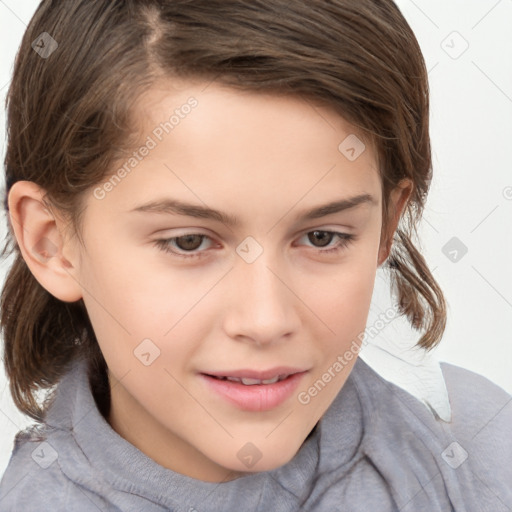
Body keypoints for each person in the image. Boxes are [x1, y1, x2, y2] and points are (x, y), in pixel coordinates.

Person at [0, 1, 510, 510]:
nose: (265, 321)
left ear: (386, 226)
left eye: (322, 237)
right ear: (52, 242)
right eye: (189, 242)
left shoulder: (482, 449)